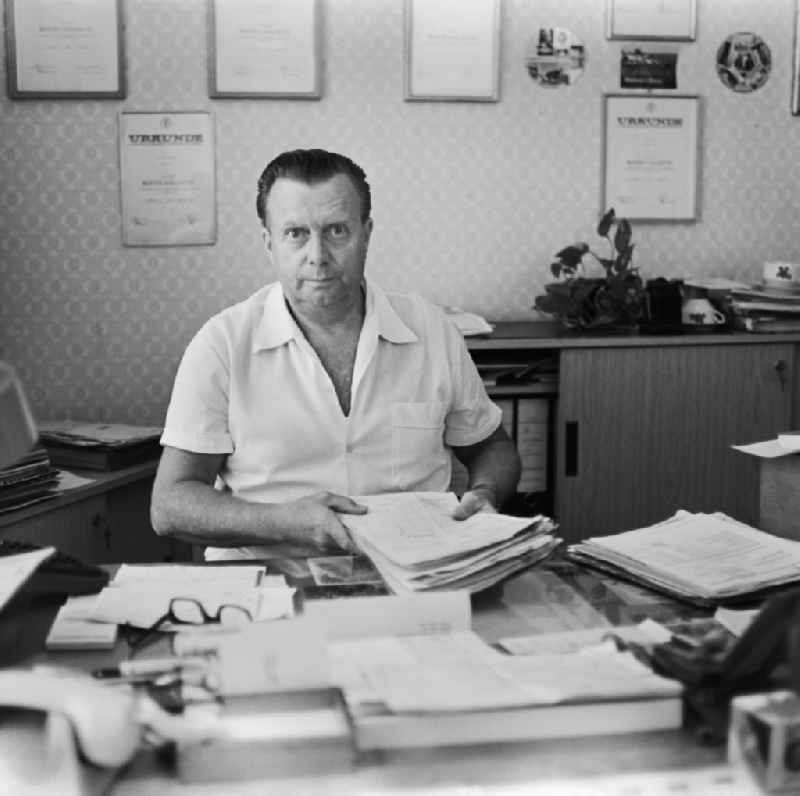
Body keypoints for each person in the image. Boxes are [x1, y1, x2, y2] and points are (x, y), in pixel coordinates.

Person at [151, 149, 521, 559]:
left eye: (337, 231)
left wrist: (485, 494)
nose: (318, 256)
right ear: (268, 243)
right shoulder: (222, 343)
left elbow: (491, 446)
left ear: (366, 233)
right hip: (267, 585)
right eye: (296, 233)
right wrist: (282, 523)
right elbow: (170, 504)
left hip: (412, 576)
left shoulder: (430, 329)